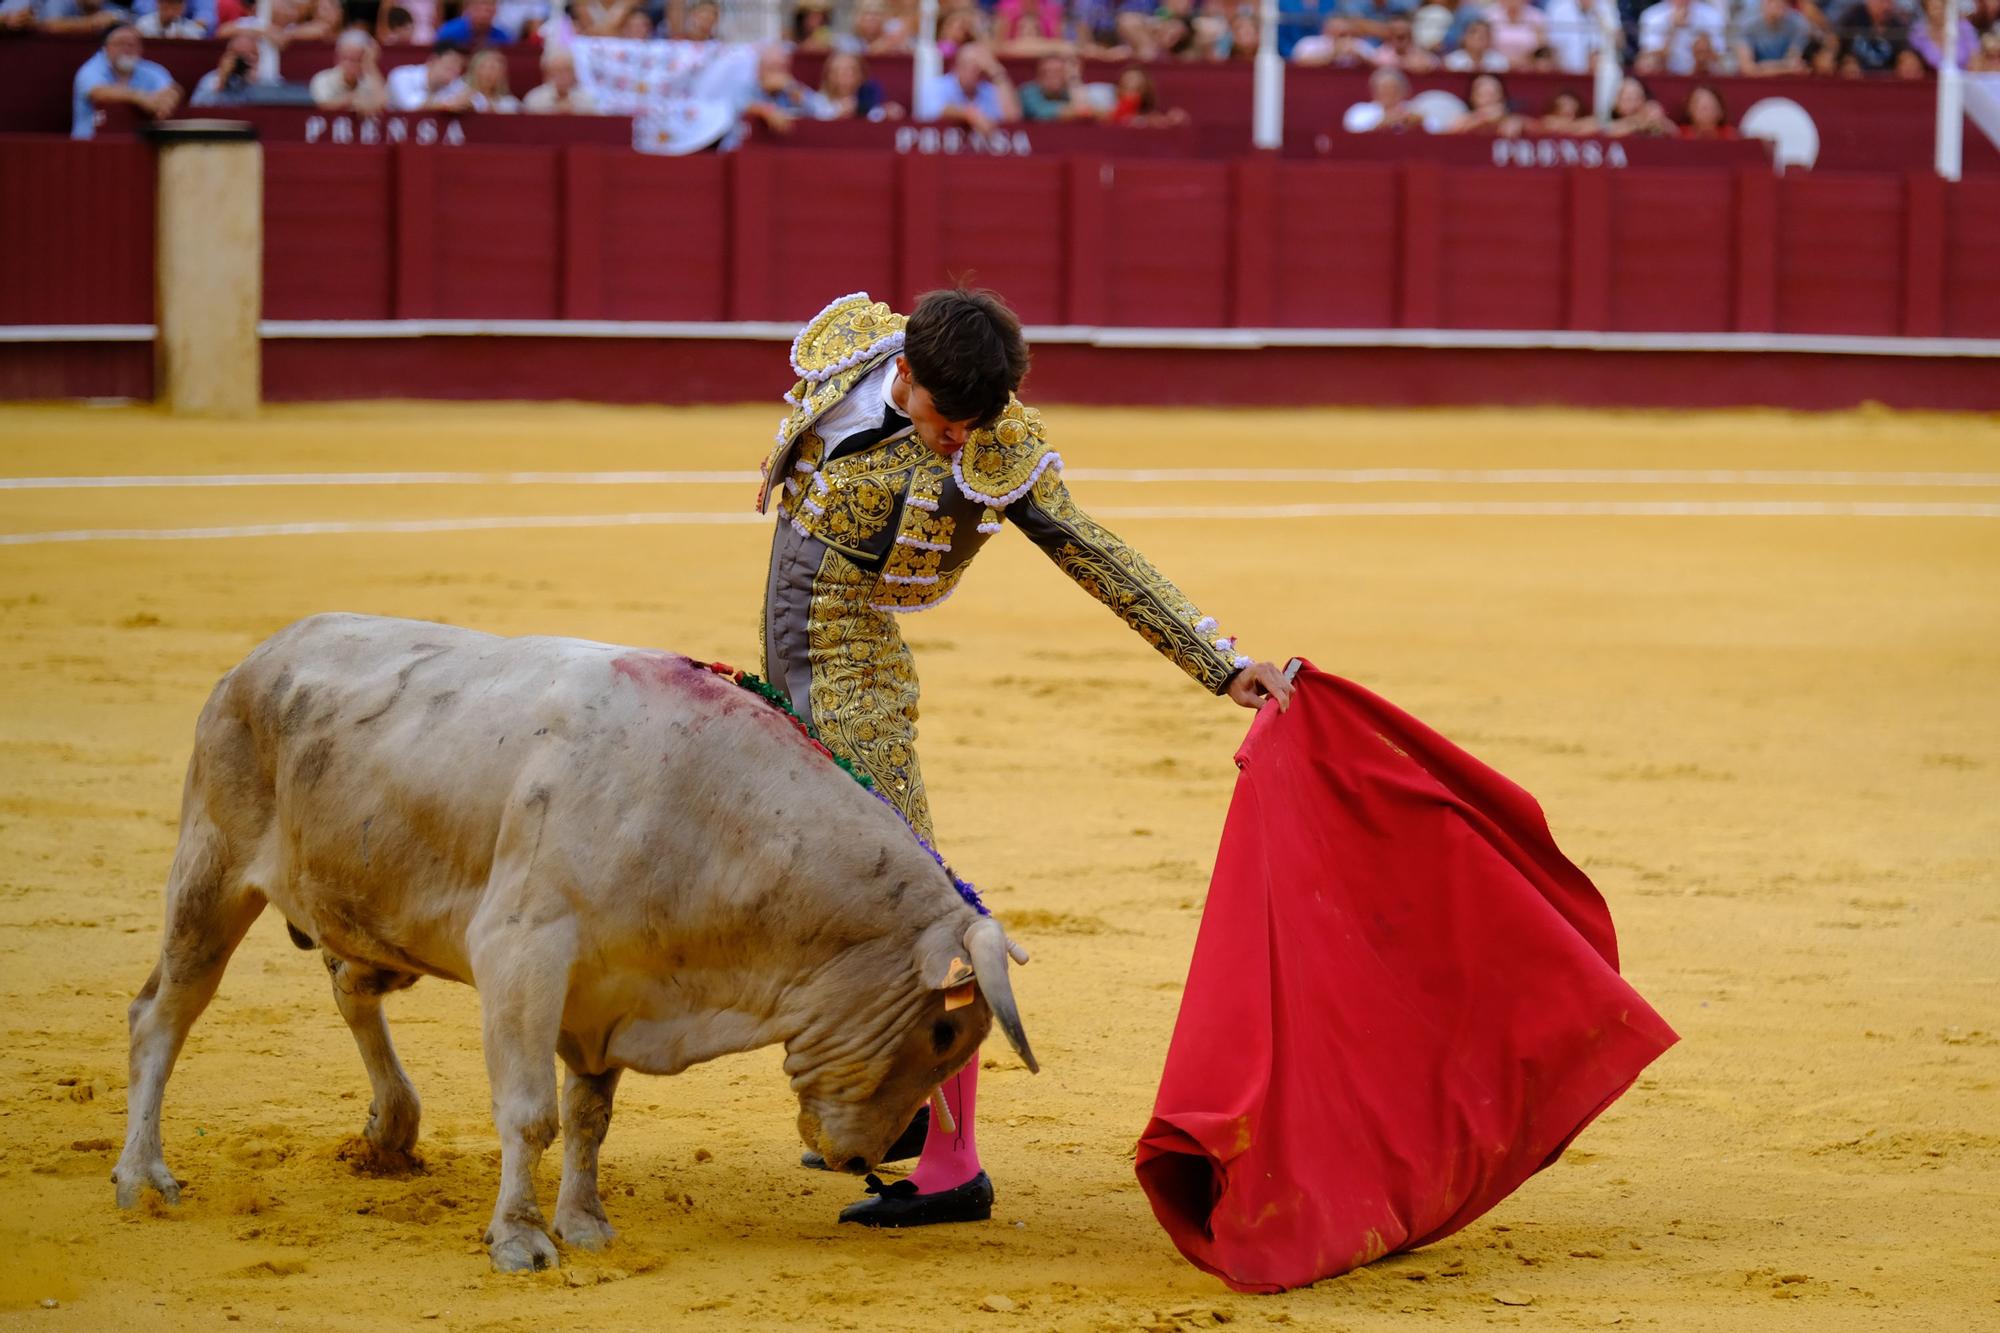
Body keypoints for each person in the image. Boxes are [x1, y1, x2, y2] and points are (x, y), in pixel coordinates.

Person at [757, 289, 1293, 1227]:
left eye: (975, 427)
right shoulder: (854, 357)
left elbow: (1094, 551)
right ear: (906, 373)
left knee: (909, 901)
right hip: (794, 651)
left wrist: (1218, 663)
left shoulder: (995, 444)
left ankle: (955, 1163)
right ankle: (903, 1118)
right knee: (834, 889)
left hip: (852, 670)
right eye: (941, 419)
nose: (957, 441)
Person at [71, 24, 181, 137]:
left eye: (132, 44)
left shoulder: (149, 69)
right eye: (120, 44)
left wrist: (166, 102)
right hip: (90, 144)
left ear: (141, 49)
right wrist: (139, 97)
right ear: (106, 48)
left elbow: (172, 88)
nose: (127, 49)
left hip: (138, 142)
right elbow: (98, 92)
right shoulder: (91, 69)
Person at [921, 41, 1020, 129]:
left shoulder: (987, 89)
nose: (976, 73)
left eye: (980, 69)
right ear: (957, 66)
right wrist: (971, 116)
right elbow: (937, 111)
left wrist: (996, 72)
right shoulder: (936, 85)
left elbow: (1012, 117)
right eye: (971, 67)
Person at [1635, 0, 1728, 73]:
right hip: (1665, 75)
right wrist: (1673, 28)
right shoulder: (1651, 16)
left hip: (1701, 75)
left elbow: (1720, 56)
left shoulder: (1713, 15)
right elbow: (1646, 58)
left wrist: (1703, 48)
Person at [311, 28, 388, 110]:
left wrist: (371, 64)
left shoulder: (369, 81)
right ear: (337, 58)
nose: (349, 64)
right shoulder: (323, 78)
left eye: (356, 60)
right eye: (345, 58)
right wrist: (352, 99)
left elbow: (383, 102)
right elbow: (324, 105)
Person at [817, 49, 901, 119]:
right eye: (837, 71)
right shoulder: (819, 100)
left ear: (861, 76)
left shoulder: (869, 98)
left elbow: (878, 112)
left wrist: (887, 112)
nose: (844, 76)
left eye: (851, 70)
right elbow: (818, 115)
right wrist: (837, 111)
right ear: (828, 76)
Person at [386, 40, 469, 109]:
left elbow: (477, 101)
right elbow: (409, 104)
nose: (457, 69)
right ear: (433, 60)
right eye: (453, 61)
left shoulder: (454, 82)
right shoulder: (401, 75)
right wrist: (447, 104)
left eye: (460, 65)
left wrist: (467, 102)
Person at [190, 27, 263, 104]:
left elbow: (268, 109)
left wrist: (257, 85)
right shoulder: (212, 79)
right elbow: (198, 106)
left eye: (254, 54)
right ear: (229, 57)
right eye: (242, 55)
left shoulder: (262, 79)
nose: (248, 60)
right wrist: (222, 80)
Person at [1733, 0, 1811, 72]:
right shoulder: (1747, 25)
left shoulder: (1798, 23)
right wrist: (1785, 68)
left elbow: (1795, 63)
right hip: (1758, 83)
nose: (1779, 5)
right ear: (1763, 3)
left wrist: (1763, 67)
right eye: (1772, 2)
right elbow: (1748, 68)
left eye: (1783, 2)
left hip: (1788, 82)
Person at [1342, 64, 1425, 129]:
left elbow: (1434, 127)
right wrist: (1382, 123)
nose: (1388, 93)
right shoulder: (1360, 111)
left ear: (1403, 91)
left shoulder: (1414, 109)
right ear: (1374, 91)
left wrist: (1420, 123)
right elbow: (1352, 131)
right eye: (1383, 88)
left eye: (1393, 88)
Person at [523, 44, 599, 112]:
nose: (562, 76)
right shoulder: (534, 99)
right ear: (547, 74)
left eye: (567, 70)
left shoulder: (587, 100)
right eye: (556, 71)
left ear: (574, 74)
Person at [1838, 0, 1909, 71]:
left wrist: (1906, 60)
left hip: (1886, 77)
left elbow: (1904, 54)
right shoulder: (1854, 17)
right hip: (1856, 76)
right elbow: (1838, 44)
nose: (1886, 7)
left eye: (1890, 2)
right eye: (1882, 1)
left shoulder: (1898, 27)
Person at [1107, 63, 1188, 123]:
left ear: (1145, 89)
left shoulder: (1153, 117)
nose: (1131, 85)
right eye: (1126, 85)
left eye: (1137, 88)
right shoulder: (1106, 106)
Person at [1445, 69, 1521, 131]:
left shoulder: (1511, 120)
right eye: (1483, 94)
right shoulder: (1463, 121)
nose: (1489, 100)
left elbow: (1530, 126)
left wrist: (1519, 123)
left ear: (1503, 97)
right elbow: (1446, 137)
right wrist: (1482, 118)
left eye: (1493, 94)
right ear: (1472, 97)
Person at [1020, 51, 1089, 118]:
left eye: (1058, 72)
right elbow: (1041, 112)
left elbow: (1085, 109)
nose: (1051, 76)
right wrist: (1075, 111)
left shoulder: (1067, 91)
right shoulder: (1028, 91)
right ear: (1038, 75)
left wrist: (1073, 79)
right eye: (1045, 72)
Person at [1909, 0, 1977, 67]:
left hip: (1964, 75)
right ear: (1926, 10)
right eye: (1934, 8)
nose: (1939, 12)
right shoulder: (1918, 32)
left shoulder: (1964, 27)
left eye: (1941, 8)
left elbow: (1976, 56)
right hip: (1931, 76)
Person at [1600, 71, 1672, 132]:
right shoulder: (1605, 120)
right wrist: (1638, 121)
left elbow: (1674, 134)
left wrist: (1662, 120)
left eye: (1638, 97)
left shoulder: (1651, 116)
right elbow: (1607, 130)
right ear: (1616, 102)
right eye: (1628, 99)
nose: (1634, 103)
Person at [435, 0, 512, 44]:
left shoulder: (502, 37)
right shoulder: (448, 33)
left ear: (495, 12)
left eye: (488, 10)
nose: (484, 14)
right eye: (478, 9)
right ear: (467, 10)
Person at [1444, 17, 1511, 68]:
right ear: (1463, 37)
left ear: (1490, 39)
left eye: (1484, 33)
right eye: (1473, 32)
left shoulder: (1500, 62)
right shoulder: (1451, 62)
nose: (1478, 36)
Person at [135, 0, 209, 38]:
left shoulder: (191, 28)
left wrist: (184, 38)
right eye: (166, 4)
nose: (170, 10)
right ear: (158, 3)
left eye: (175, 4)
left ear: (182, 7)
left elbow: (200, 35)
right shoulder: (143, 24)